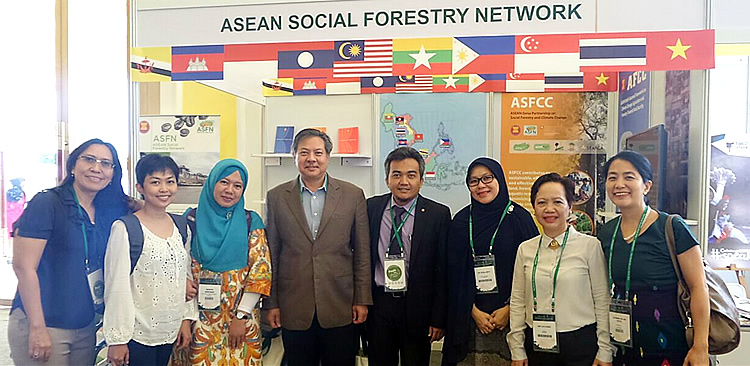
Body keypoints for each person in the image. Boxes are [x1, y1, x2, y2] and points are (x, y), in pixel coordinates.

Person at [9, 138, 130, 365]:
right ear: (73, 165)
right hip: (45, 323)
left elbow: (146, 211)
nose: (97, 168)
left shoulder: (108, 210)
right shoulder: (47, 203)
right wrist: (37, 328)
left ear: (113, 173)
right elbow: (24, 268)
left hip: (84, 325)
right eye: (89, 159)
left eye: (106, 163)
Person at [265, 128, 371, 366]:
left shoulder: (352, 195)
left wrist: (362, 299)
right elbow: (271, 254)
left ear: (328, 156)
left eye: (317, 152)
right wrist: (271, 302)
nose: (311, 158)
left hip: (340, 303)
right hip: (294, 305)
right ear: (294, 156)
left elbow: (362, 253)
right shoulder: (277, 197)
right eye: (304, 152)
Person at [598, 150, 710, 366]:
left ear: (646, 186)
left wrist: (700, 347)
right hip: (623, 344)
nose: (619, 184)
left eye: (629, 177)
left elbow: (699, 288)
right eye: (612, 177)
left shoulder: (672, 227)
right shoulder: (607, 233)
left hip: (669, 343)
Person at [507, 173, 614, 366]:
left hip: (580, 344)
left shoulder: (590, 246)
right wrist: (517, 348)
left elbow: (602, 301)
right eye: (541, 203)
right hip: (537, 344)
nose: (549, 209)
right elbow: (518, 301)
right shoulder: (525, 249)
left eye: (557, 201)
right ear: (534, 208)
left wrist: (605, 350)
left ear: (570, 206)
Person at [442, 157, 538, 366]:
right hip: (468, 320)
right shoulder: (460, 221)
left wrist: (510, 309)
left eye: (487, 178)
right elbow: (452, 273)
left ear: (500, 180)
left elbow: (533, 271)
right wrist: (472, 310)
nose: (481, 186)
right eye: (474, 181)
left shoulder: (519, 218)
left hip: (510, 320)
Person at [103, 154, 197, 366]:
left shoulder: (181, 227)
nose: (164, 189)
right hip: (137, 334)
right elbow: (116, 286)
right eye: (155, 182)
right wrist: (117, 340)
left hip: (170, 330)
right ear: (140, 187)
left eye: (170, 181)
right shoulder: (125, 228)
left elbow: (185, 276)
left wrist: (185, 320)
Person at [179, 159, 272, 365]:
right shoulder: (190, 219)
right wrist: (186, 319)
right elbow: (181, 268)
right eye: (224, 182)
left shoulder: (251, 221)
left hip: (240, 319)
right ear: (212, 182)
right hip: (198, 318)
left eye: (237, 186)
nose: (230, 190)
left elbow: (260, 272)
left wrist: (241, 317)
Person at [365, 147, 451, 366]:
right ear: (387, 180)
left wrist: (438, 318)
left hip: (418, 308)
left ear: (421, 180)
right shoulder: (371, 207)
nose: (404, 181)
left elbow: (442, 271)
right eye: (397, 174)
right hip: (379, 306)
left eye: (411, 175)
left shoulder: (438, 214)